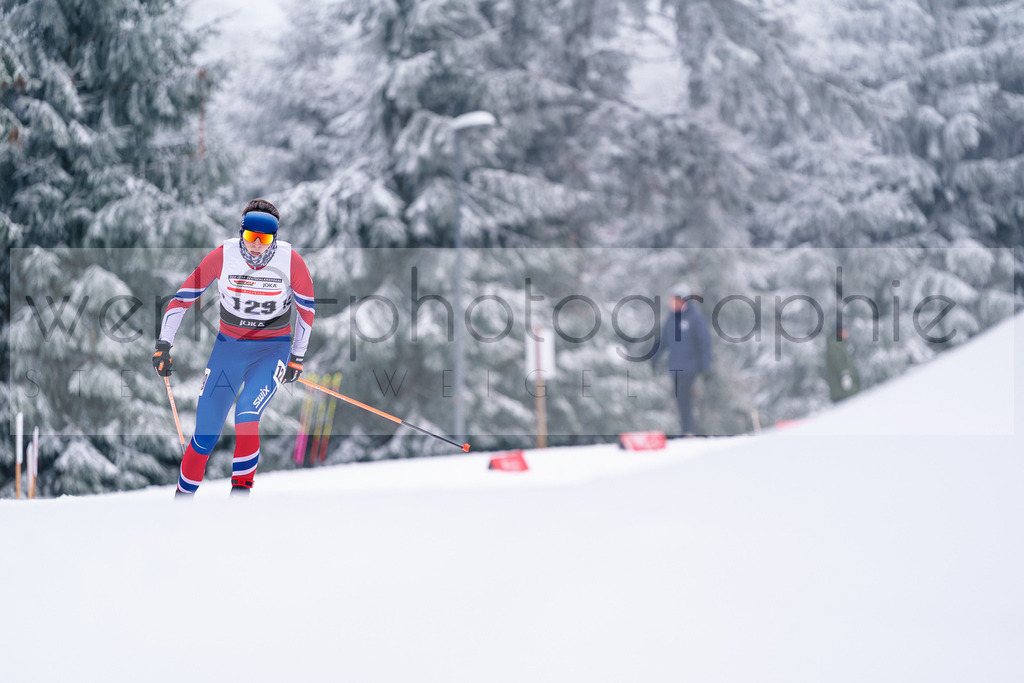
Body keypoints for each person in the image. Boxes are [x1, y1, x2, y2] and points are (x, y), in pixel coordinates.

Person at [152, 199, 315, 498]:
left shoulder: (292, 261)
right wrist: (164, 344)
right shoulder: (222, 256)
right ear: (241, 232)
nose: (256, 245)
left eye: (264, 239)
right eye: (250, 235)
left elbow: (307, 311)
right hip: (229, 350)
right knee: (204, 436)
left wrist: (297, 357)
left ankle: (239, 504)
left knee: (246, 415)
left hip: (271, 350)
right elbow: (181, 299)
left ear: (274, 238)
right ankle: (181, 504)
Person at [650, 285, 713, 436]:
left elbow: (704, 343)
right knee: (680, 400)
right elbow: (662, 342)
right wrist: (653, 359)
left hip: (690, 367)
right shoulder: (671, 320)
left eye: (675, 300)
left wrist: (705, 367)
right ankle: (686, 430)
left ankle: (689, 431)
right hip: (675, 367)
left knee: (685, 399)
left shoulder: (695, 318)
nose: (672, 303)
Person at [825, 326, 860, 403]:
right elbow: (838, 361)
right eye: (845, 331)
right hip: (841, 389)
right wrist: (845, 374)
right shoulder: (834, 344)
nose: (847, 333)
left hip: (844, 388)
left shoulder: (840, 344)